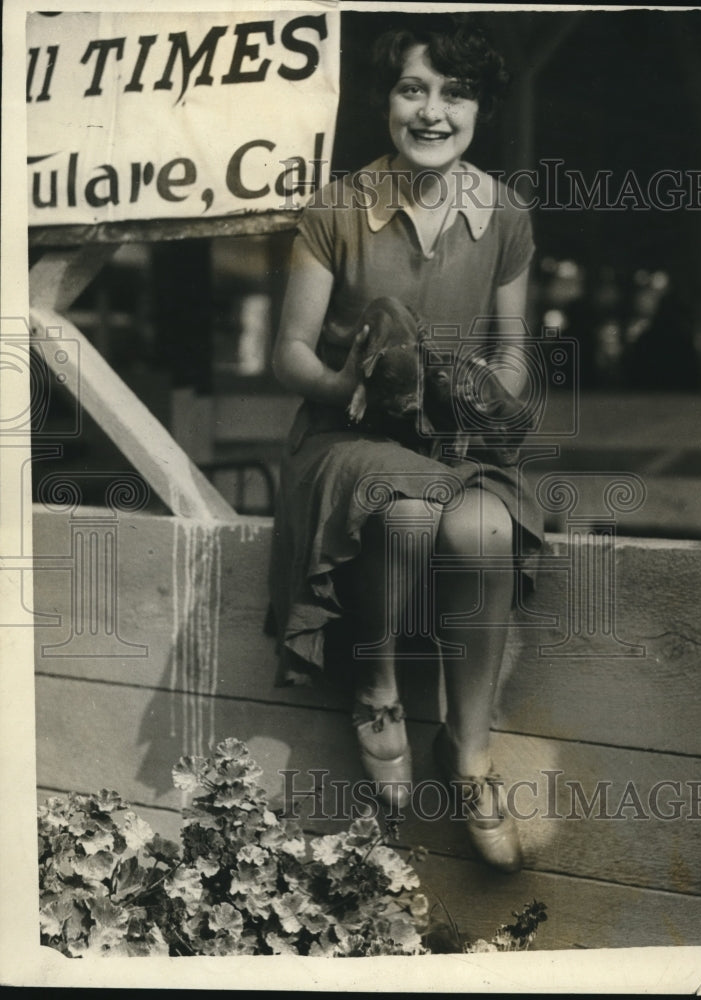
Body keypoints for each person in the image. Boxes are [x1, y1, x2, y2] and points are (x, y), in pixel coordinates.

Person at [268, 15, 544, 872]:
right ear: (387, 101)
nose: (431, 112)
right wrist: (348, 381)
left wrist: (488, 397)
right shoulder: (334, 208)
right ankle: (378, 688)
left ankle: (466, 755)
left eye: (453, 94)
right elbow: (288, 356)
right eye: (412, 89)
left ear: (477, 111)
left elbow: (511, 355)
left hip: (451, 441)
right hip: (346, 439)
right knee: (412, 509)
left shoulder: (504, 215)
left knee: (485, 528)